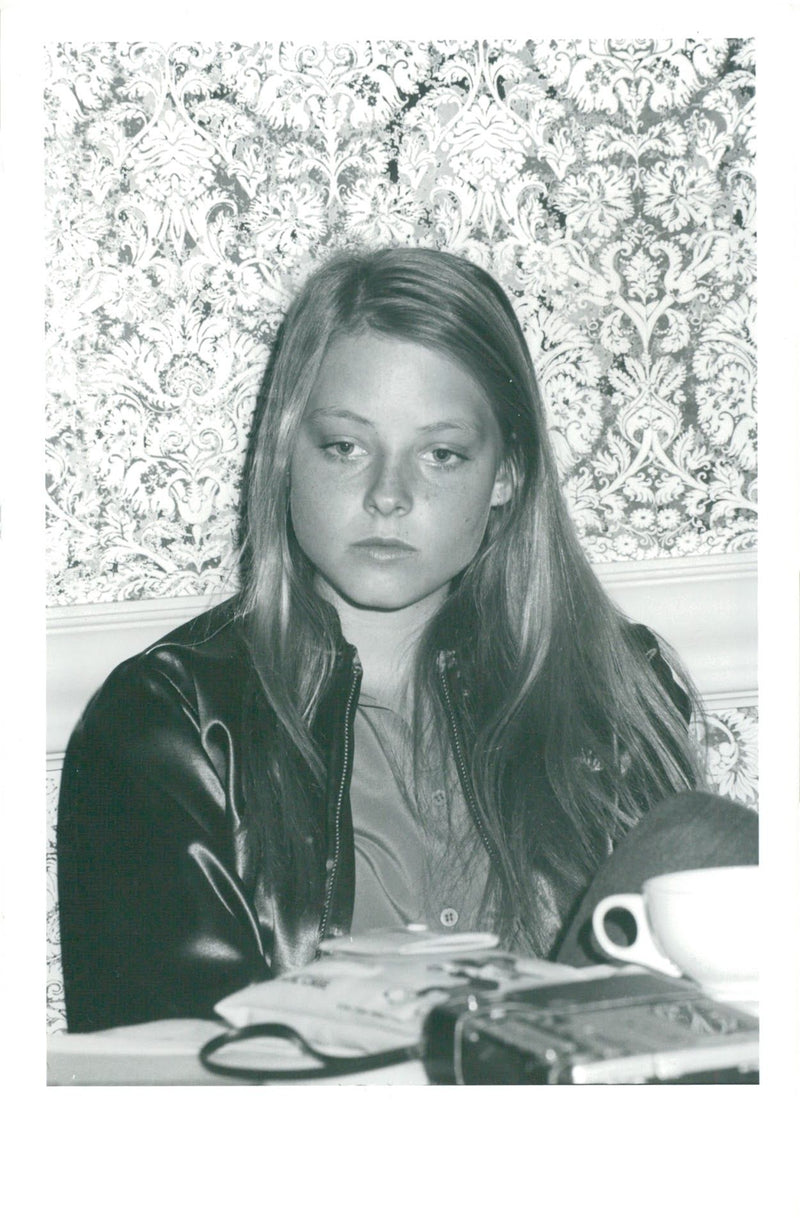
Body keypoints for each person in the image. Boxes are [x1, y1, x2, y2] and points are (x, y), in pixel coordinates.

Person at [57, 247, 703, 1033]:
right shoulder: (169, 725)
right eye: (345, 447)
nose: (388, 497)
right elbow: (164, 1071)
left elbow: (684, 1028)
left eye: (441, 454)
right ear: (283, 453)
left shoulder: (618, 694)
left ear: (506, 475)